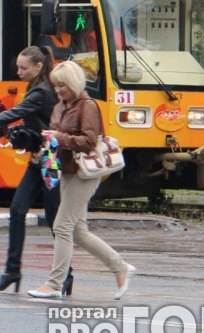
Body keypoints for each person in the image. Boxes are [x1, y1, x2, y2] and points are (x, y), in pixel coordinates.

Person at [0, 46, 69, 294]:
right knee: (17, 209)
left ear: (38, 67)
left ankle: (66, 275)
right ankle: (12, 271)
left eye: (23, 68)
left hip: (52, 161)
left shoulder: (42, 91)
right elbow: (30, 119)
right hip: (38, 159)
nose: (18, 72)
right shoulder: (36, 87)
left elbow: (15, 113)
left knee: (56, 219)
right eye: (18, 67)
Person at [27, 60, 135, 300]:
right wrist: (47, 142)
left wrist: (60, 137)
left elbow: (89, 141)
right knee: (79, 232)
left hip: (84, 173)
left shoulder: (88, 106)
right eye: (56, 86)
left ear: (74, 83)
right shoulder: (60, 106)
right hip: (66, 171)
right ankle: (120, 267)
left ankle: (54, 284)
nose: (58, 90)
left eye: (62, 86)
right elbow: (59, 137)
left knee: (61, 226)